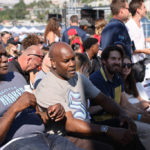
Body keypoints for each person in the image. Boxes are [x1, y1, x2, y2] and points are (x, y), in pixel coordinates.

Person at [35, 42, 145, 150]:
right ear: (53, 63)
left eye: (73, 59)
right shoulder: (47, 86)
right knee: (106, 147)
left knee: (127, 129)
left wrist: (123, 114)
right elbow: (70, 124)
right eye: (66, 61)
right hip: (64, 137)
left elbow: (104, 100)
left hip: (86, 128)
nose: (72, 63)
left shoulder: (78, 78)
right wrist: (107, 130)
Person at [0, 43, 83, 150]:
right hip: (16, 142)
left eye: (5, 54)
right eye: (0, 56)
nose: (5, 59)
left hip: (44, 136)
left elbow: (35, 115)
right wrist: (15, 108)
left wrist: (50, 114)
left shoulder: (16, 77)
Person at [89, 45, 150, 150]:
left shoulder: (117, 77)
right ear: (104, 61)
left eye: (119, 59)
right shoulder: (97, 79)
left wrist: (142, 114)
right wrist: (142, 117)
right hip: (104, 122)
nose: (117, 62)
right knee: (146, 129)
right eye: (113, 59)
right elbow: (113, 107)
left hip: (118, 118)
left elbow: (125, 104)